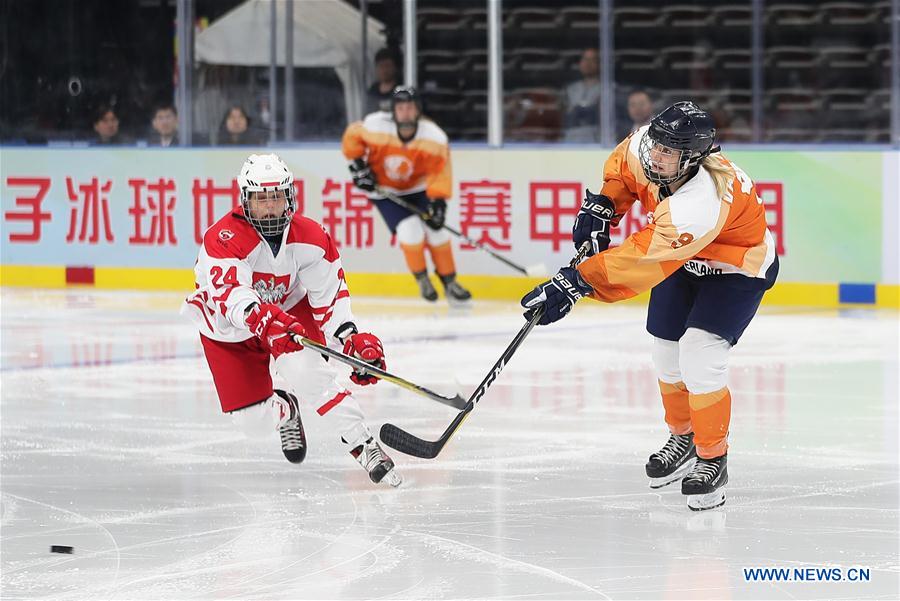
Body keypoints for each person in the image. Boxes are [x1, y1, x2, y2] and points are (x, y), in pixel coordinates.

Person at [521, 101, 778, 511]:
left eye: (667, 152)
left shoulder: (702, 200)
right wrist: (605, 204)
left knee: (700, 353)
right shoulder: (652, 146)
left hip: (735, 270)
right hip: (683, 261)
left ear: (693, 159)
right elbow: (625, 165)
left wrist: (577, 282)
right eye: (655, 145)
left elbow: (644, 258)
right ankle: (684, 436)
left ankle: (713, 456)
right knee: (665, 349)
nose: (655, 155)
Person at [181, 153, 401, 487]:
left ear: (289, 197)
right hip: (229, 331)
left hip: (287, 314)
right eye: (260, 198)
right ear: (245, 200)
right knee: (253, 425)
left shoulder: (311, 236)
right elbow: (230, 295)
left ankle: (363, 443)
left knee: (312, 374)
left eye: (276, 196)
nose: (269, 206)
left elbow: (330, 297)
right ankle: (286, 408)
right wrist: (261, 319)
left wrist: (349, 339)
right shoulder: (222, 238)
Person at [342, 86, 472, 303]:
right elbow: (351, 138)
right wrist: (358, 168)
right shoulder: (376, 125)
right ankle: (422, 279)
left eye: (410, 107)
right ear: (393, 111)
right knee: (409, 232)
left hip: (419, 189)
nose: (406, 112)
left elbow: (439, 170)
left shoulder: (434, 137)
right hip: (386, 192)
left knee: (438, 232)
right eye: (400, 107)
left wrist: (438, 203)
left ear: (418, 110)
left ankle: (450, 282)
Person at [562, 48, 602, 143]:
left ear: (599, 64)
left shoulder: (608, 89)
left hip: (596, 141)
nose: (588, 63)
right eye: (585, 59)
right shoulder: (570, 89)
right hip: (571, 140)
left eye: (592, 60)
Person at [366, 48, 401, 114]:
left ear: (395, 68)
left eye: (387, 66)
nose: (384, 70)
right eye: (381, 66)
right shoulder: (373, 90)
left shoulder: (400, 91)